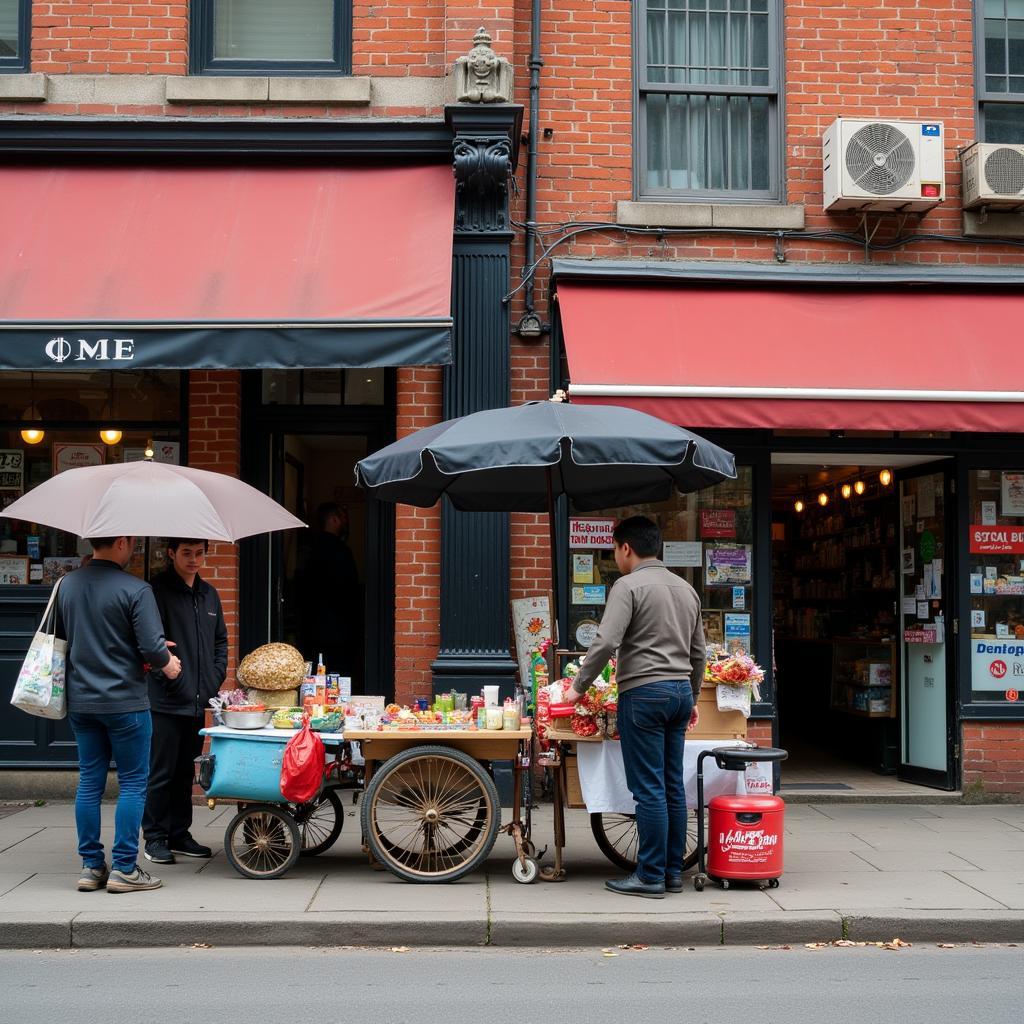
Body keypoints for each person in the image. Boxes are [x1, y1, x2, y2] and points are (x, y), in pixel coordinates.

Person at [567, 516, 705, 899]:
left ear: (625, 548)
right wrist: (691, 697)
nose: (616, 555)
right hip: (679, 692)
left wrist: (578, 688)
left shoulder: (627, 586)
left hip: (643, 694)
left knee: (648, 790)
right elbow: (699, 654)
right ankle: (672, 872)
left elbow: (606, 641)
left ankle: (649, 876)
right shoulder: (686, 589)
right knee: (672, 786)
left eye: (615, 549)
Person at [56, 535, 182, 894]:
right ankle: (125, 867)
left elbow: (68, 640)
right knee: (132, 783)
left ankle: (91, 866)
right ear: (123, 542)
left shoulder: (66, 584)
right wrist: (168, 663)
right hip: (125, 702)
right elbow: (152, 648)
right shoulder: (136, 589)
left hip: (81, 701)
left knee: (90, 782)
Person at [142, 538, 228, 865]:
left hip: (197, 699)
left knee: (183, 773)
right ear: (171, 554)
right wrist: (169, 677)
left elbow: (220, 641)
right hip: (165, 700)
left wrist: (213, 678)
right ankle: (155, 837)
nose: (194, 560)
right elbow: (148, 644)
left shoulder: (209, 594)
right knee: (161, 771)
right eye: (187, 553)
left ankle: (180, 834)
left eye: (199, 554)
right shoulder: (155, 592)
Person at [298, 502, 359, 677]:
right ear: (333, 520)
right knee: (338, 674)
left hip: (312, 625)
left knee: (316, 672)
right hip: (339, 627)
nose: (345, 522)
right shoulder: (341, 551)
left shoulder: (310, 549)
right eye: (342, 518)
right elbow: (349, 589)